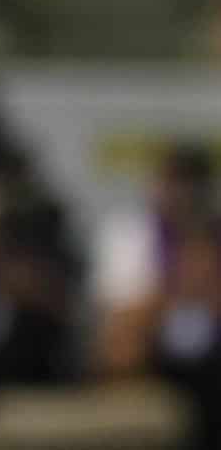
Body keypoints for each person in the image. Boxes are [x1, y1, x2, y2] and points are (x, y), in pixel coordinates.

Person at [93, 142, 221, 450]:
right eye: (170, 183)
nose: (179, 195)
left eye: (188, 185)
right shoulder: (129, 234)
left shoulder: (212, 237)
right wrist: (177, 291)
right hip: (154, 357)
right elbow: (120, 323)